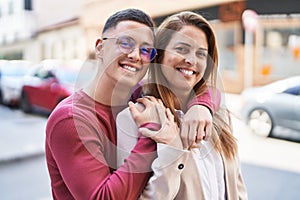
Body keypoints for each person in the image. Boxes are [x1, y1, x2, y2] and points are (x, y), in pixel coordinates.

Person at [45, 8, 214, 200]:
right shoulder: (71, 119)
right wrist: (151, 133)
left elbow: (193, 85)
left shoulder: (139, 98)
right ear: (100, 47)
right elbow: (102, 197)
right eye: (125, 43)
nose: (135, 55)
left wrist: (200, 106)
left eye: (145, 50)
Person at [117, 11, 248, 199]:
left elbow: (237, 184)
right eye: (182, 49)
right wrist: (171, 149)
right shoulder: (132, 119)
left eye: (201, 54)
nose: (191, 60)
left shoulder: (218, 115)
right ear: (159, 55)